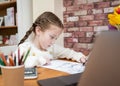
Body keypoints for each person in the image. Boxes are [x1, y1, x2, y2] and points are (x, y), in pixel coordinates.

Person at [15, 11, 87, 68]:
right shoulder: (24, 48)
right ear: (38, 31)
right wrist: (40, 60)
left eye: (56, 38)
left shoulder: (52, 48)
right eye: (52, 37)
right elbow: (17, 63)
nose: (53, 42)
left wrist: (80, 57)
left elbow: (68, 53)